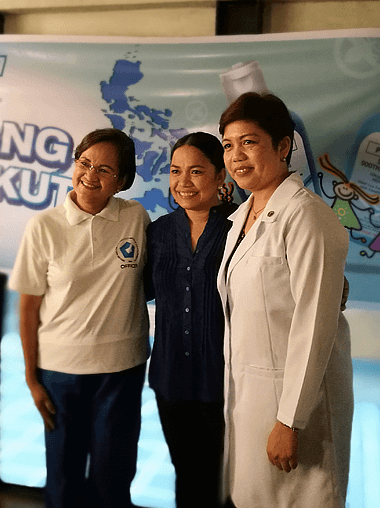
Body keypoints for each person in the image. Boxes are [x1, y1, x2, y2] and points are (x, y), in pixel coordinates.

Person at [217, 93, 353, 507]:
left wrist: (289, 420)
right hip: (251, 398)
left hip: (295, 408)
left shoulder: (307, 216)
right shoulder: (241, 219)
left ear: (282, 146)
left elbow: (315, 325)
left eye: (249, 142)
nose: (236, 156)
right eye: (228, 145)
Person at [8, 128, 150, 508]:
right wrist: (31, 377)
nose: (90, 175)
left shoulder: (136, 218)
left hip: (121, 370)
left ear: (122, 180)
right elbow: (28, 308)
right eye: (84, 163)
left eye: (104, 169)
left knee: (113, 479)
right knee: (63, 479)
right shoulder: (44, 226)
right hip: (60, 373)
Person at [145, 132, 236, 508]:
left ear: (220, 176)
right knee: (185, 472)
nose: (183, 182)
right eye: (175, 171)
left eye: (196, 171)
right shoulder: (158, 231)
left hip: (225, 379)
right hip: (171, 376)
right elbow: (135, 289)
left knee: (224, 480)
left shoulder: (241, 228)